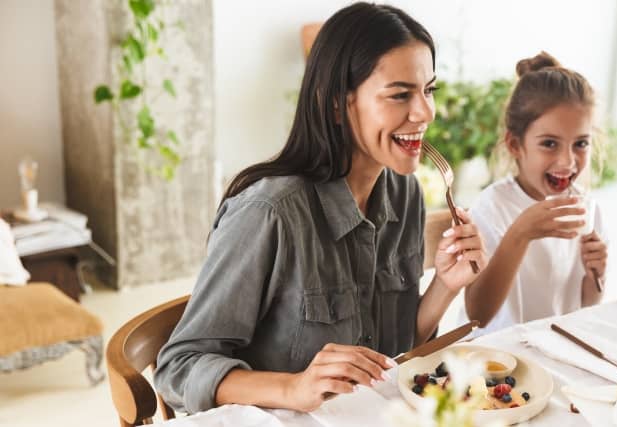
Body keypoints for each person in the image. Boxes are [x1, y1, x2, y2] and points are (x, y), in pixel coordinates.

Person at [154, 2, 486, 414]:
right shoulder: (268, 212)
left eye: (428, 90)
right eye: (400, 94)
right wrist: (294, 388)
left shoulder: (405, 194)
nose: (426, 112)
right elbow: (178, 369)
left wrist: (446, 285)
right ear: (335, 104)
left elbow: (395, 353)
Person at [459, 51, 608, 335]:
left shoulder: (587, 208)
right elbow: (477, 316)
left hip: (553, 351)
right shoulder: (493, 208)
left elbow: (586, 305)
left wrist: (595, 276)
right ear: (515, 145)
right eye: (550, 144)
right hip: (498, 362)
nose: (567, 161)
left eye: (581, 143)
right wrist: (521, 233)